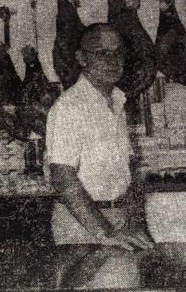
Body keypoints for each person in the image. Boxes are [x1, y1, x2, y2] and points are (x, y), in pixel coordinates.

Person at [47, 23, 153, 251]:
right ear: (81, 58)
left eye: (117, 53)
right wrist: (104, 231)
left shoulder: (117, 100)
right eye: (101, 53)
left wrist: (133, 217)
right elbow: (62, 176)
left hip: (119, 218)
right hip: (83, 226)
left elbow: (128, 169)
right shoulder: (69, 106)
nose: (112, 61)